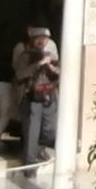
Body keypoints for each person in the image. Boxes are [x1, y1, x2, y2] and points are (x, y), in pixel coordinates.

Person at [21, 27, 59, 166]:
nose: (41, 41)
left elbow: (59, 74)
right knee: (32, 132)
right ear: (32, 40)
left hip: (50, 96)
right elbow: (21, 74)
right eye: (38, 38)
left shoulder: (51, 56)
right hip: (32, 97)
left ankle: (39, 151)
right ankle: (30, 164)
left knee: (50, 130)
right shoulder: (25, 55)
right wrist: (38, 65)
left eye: (44, 38)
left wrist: (52, 67)